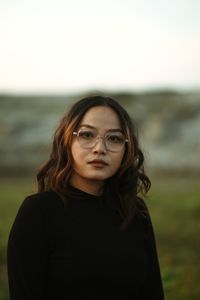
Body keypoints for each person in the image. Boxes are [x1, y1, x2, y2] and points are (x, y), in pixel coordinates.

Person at [7, 95, 164, 299]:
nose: (100, 148)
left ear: (127, 149)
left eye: (114, 138)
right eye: (87, 135)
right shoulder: (38, 212)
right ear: (67, 141)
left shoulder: (135, 210)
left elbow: (152, 292)